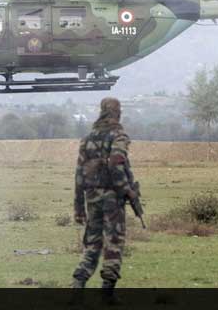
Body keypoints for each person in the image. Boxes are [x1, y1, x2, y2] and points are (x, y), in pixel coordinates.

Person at [71, 97, 139, 298]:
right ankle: (107, 292)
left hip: (92, 197)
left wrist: (78, 207)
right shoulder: (119, 136)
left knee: (93, 243)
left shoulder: (88, 138)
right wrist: (126, 190)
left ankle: (78, 283)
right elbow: (117, 163)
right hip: (112, 197)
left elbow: (79, 174)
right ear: (118, 112)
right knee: (114, 242)